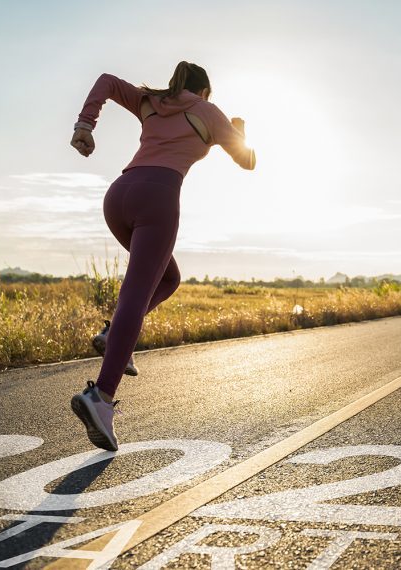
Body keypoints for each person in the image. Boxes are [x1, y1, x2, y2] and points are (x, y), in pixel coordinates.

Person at [68, 61, 256, 451]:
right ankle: (100, 397)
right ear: (204, 92)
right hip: (158, 197)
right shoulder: (207, 111)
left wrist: (84, 125)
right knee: (134, 299)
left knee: (168, 279)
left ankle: (113, 335)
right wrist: (239, 132)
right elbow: (248, 160)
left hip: (119, 195)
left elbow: (105, 80)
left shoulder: (150, 101)